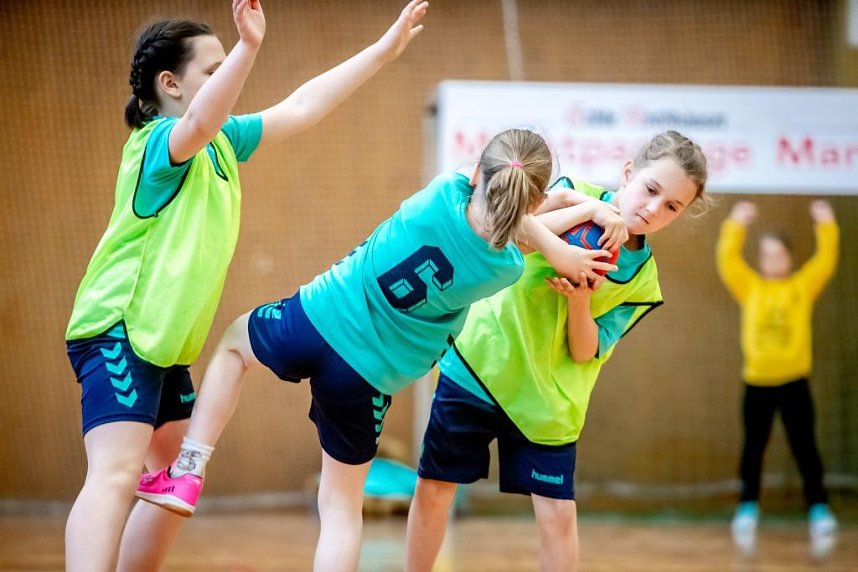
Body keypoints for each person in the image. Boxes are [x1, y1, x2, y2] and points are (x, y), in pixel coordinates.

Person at [137, 127, 623, 571]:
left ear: (479, 173)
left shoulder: (441, 194)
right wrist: (582, 221)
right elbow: (521, 225)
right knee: (342, 512)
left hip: (316, 319)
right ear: (534, 202)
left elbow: (512, 206)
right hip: (367, 378)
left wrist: (576, 212)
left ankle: (189, 467)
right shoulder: (507, 267)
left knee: (233, 346)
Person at [63, 1, 431, 570]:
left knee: (175, 482)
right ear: (171, 84)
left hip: (164, 346)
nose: (228, 73)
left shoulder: (222, 144)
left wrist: (383, 50)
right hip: (118, 330)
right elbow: (199, 122)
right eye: (213, 69)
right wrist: (249, 47)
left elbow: (302, 104)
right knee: (114, 475)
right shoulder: (158, 147)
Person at [404, 130, 709, 572]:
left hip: (549, 402)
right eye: (651, 189)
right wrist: (583, 218)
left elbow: (587, 352)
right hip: (480, 365)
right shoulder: (570, 193)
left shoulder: (643, 280)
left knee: (558, 516)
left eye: (671, 207)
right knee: (434, 490)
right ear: (629, 173)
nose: (652, 209)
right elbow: (506, 236)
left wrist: (580, 300)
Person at [717, 199, 839, 559]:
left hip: (794, 384)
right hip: (757, 385)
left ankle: (819, 511)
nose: (772, 261)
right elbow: (728, 261)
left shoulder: (801, 287)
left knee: (806, 449)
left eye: (778, 255)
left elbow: (825, 261)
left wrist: (827, 225)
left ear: (788, 258)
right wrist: (735, 225)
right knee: (753, 450)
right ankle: (747, 509)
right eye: (766, 255)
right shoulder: (750, 287)